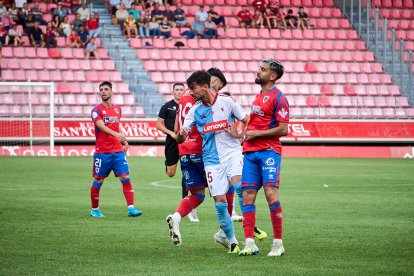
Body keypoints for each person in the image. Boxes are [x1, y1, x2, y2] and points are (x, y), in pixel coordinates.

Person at [176, 70, 250, 254]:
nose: (191, 93)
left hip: (232, 153)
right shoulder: (194, 110)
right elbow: (181, 136)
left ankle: (250, 235)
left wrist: (239, 134)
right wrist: (180, 135)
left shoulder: (227, 101)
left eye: (193, 89)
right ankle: (232, 242)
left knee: (240, 186)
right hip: (210, 159)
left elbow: (248, 120)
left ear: (205, 86)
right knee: (219, 202)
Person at [238, 59, 289, 257]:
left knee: (270, 193)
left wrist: (256, 134)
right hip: (250, 153)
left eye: (263, 70)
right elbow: (256, 123)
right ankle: (249, 242)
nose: (258, 72)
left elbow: (284, 129)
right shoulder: (259, 96)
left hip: (269, 151)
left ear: (273, 76)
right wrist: (243, 133)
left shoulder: (279, 98)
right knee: (247, 195)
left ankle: (278, 243)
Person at [90, 81, 143, 218]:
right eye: (101, 89)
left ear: (111, 92)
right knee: (99, 180)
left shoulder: (117, 109)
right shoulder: (96, 111)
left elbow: (116, 128)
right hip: (102, 153)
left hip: (118, 151)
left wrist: (124, 141)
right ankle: (94, 209)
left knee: (125, 177)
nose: (103, 91)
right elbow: (101, 127)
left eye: (106, 89)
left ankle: (131, 208)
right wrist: (117, 135)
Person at [156, 83, 199, 221]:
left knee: (186, 173)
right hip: (172, 141)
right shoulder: (167, 106)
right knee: (171, 173)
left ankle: (188, 205)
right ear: (173, 92)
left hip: (187, 141)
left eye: (181, 89)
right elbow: (158, 124)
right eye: (177, 90)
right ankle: (169, 164)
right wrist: (171, 133)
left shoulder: (190, 104)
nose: (179, 92)